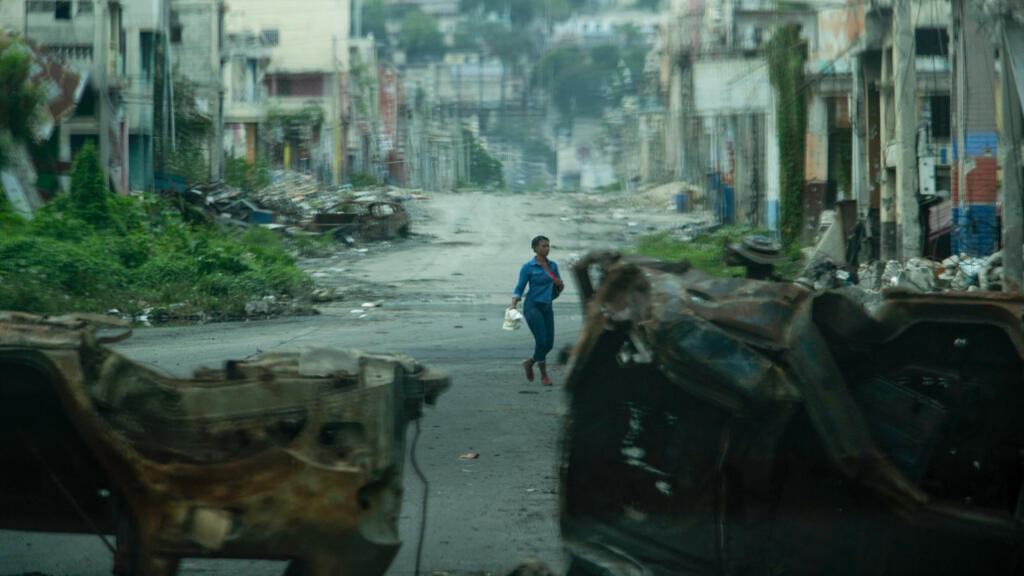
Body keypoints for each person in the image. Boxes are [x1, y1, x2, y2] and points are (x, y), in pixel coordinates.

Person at [510, 235, 564, 386]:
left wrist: (558, 283)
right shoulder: (528, 267)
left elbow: (560, 286)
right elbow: (520, 287)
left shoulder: (552, 266)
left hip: (547, 306)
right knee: (541, 341)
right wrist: (513, 305)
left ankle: (530, 362)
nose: (546, 248)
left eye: (548, 246)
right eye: (543, 246)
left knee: (549, 344)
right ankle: (544, 376)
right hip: (532, 306)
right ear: (535, 248)